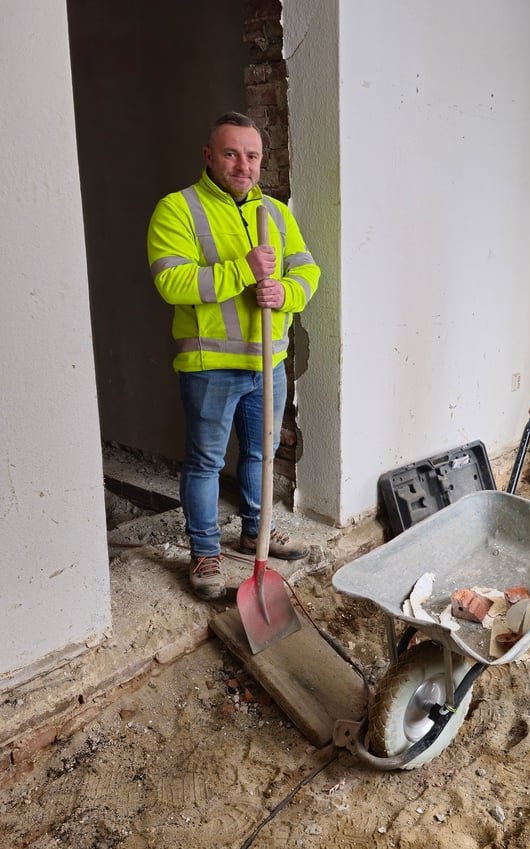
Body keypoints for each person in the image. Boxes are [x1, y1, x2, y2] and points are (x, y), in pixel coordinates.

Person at [147, 111, 321, 600]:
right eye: (231, 153)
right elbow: (171, 282)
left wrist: (284, 293)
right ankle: (204, 551)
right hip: (211, 366)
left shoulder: (278, 214)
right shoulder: (178, 209)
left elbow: (308, 271)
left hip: (267, 363)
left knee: (262, 454)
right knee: (204, 462)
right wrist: (241, 271)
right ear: (209, 156)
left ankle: (256, 530)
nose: (243, 165)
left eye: (252, 155)